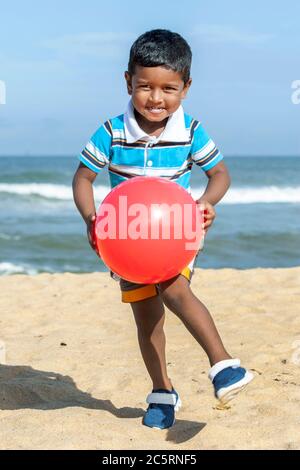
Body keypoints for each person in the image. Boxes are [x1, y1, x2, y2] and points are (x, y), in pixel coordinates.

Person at [72, 29, 253, 430]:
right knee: (146, 318)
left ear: (186, 87)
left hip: (177, 236)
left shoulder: (190, 131)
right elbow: (82, 179)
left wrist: (206, 203)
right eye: (145, 87)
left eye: (169, 88)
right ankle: (162, 392)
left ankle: (224, 364)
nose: (156, 99)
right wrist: (91, 218)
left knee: (173, 286)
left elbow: (219, 173)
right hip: (125, 238)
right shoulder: (112, 131)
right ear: (128, 82)